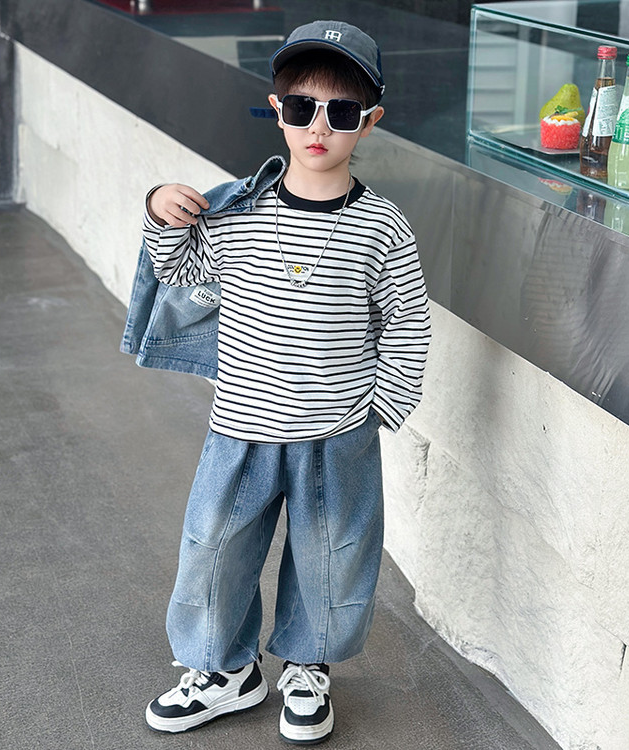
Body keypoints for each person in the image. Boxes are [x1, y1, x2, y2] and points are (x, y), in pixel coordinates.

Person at [135, 19, 430, 744]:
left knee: (332, 558)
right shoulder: (239, 211)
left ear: (371, 121)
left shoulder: (382, 227)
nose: (318, 127)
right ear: (277, 110)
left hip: (337, 430)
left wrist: (381, 405)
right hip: (241, 426)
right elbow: (181, 272)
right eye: (301, 107)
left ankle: (308, 666)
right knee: (213, 549)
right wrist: (159, 209)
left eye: (342, 112)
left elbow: (408, 320)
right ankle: (225, 670)